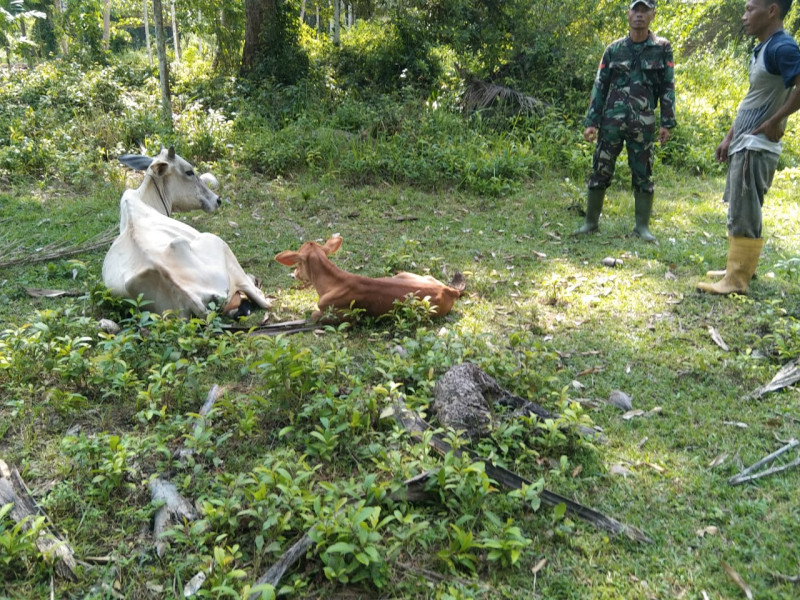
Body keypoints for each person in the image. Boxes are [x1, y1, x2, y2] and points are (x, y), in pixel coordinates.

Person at [697, 0, 800, 294]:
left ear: (771, 11)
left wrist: (776, 121)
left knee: (747, 209)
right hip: (744, 142)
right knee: (740, 206)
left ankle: (737, 279)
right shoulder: (764, 48)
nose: (744, 16)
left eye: (749, 9)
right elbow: (754, 96)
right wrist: (730, 136)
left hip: (757, 145)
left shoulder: (784, 48)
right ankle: (737, 266)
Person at [575, 0, 675, 242]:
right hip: (611, 121)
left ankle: (642, 227)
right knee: (601, 167)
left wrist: (667, 122)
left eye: (644, 11)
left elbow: (667, 86)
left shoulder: (662, 48)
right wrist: (592, 121)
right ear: (628, 14)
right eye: (635, 10)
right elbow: (600, 86)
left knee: (643, 172)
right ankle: (590, 222)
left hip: (643, 122)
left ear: (652, 15)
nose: (639, 15)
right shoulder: (613, 49)